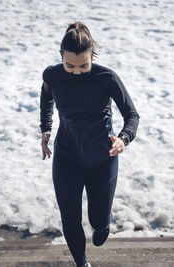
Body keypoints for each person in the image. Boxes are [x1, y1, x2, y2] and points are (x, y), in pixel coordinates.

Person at [39, 21, 140, 267]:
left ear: (92, 56)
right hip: (67, 156)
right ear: (61, 56)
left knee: (98, 223)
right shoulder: (52, 75)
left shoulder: (107, 78)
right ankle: (82, 264)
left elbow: (132, 116)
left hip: (102, 158)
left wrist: (123, 139)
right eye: (69, 65)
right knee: (70, 218)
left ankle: (103, 222)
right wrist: (46, 129)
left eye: (84, 66)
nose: (76, 71)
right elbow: (46, 98)